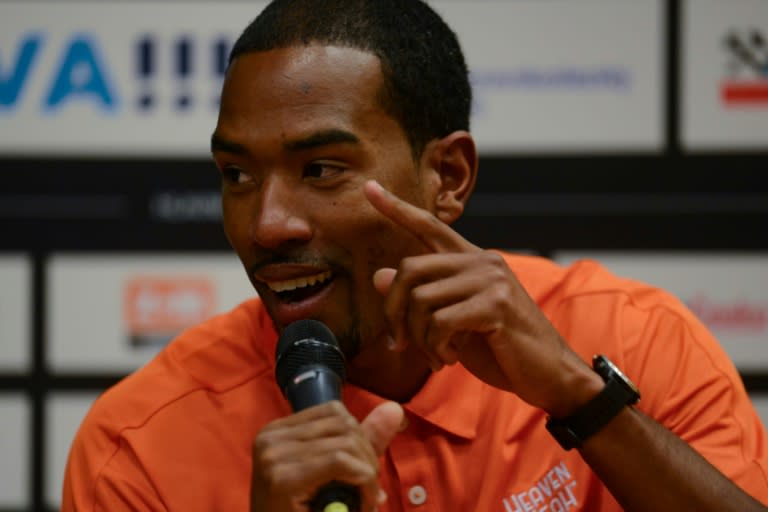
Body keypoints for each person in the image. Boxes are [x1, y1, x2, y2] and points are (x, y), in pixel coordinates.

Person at [62, 0, 768, 510]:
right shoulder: (138, 444)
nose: (267, 224)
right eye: (237, 176)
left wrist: (583, 401)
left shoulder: (636, 335)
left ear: (448, 177)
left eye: (320, 170)